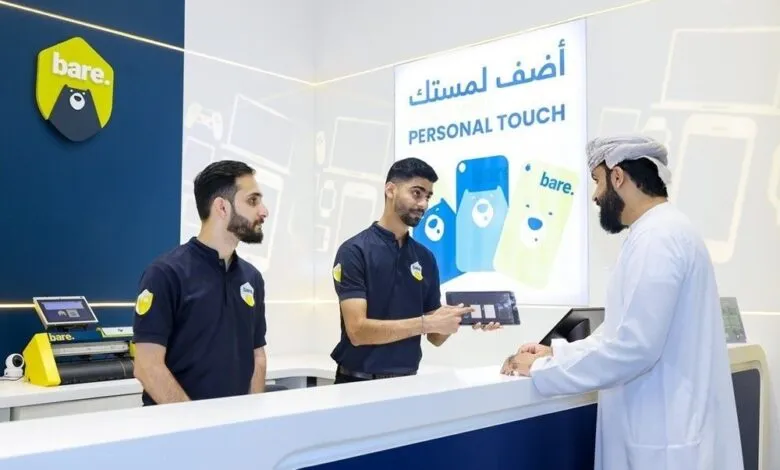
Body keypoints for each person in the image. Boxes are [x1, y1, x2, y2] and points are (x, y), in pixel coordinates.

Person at [500, 135, 743, 470]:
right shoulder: (660, 232)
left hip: (666, 443)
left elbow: (634, 348)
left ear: (618, 177)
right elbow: (623, 331)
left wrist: (544, 370)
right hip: (665, 431)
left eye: (598, 181)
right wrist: (558, 352)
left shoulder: (658, 238)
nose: (596, 195)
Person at [330, 157, 500, 384]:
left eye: (428, 196)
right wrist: (426, 323)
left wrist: (461, 318)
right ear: (390, 190)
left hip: (408, 384)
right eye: (417, 193)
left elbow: (436, 337)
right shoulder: (354, 251)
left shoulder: (425, 258)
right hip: (357, 384)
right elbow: (358, 331)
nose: (423, 204)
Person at [132, 160, 270, 405]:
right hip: (177, 433)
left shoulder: (252, 278)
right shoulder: (166, 274)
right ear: (222, 207)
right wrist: (195, 425)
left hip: (235, 431)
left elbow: (257, 356)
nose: (263, 211)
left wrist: (252, 417)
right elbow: (147, 366)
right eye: (252, 201)